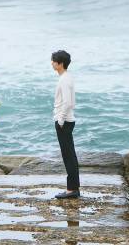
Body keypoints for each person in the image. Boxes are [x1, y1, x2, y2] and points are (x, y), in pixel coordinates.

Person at [51, 50, 79, 199]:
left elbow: (68, 102)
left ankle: (72, 189)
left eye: (54, 61)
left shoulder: (64, 79)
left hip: (65, 122)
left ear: (60, 63)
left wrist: (60, 120)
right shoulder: (66, 77)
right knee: (69, 155)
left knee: (68, 156)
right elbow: (72, 102)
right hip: (67, 120)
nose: (52, 63)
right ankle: (73, 187)